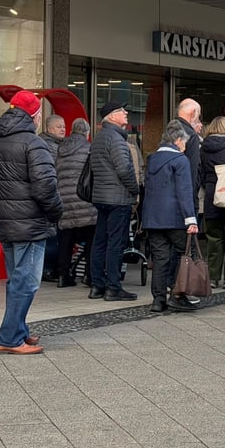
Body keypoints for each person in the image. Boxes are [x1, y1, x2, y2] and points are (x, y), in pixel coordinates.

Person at [0, 90, 64, 355]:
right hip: (30, 224)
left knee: (16, 280)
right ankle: (9, 338)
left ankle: (19, 331)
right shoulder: (34, 143)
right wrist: (56, 213)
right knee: (26, 282)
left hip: (5, 223)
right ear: (35, 115)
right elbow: (45, 187)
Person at [141, 120, 200, 313]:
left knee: (160, 259)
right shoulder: (180, 161)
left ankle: (158, 300)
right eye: (183, 142)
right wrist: (191, 219)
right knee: (184, 254)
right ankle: (177, 294)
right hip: (175, 218)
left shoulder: (152, 159)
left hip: (153, 218)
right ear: (177, 140)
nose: (184, 147)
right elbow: (184, 191)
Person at [87, 101, 140, 302]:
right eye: (121, 111)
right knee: (115, 244)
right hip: (118, 198)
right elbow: (124, 169)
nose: (126, 113)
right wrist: (135, 189)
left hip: (101, 197)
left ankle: (97, 285)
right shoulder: (116, 138)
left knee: (100, 242)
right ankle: (113, 287)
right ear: (111, 117)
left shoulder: (99, 137)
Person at [54, 117, 97, 287]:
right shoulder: (89, 149)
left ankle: (63, 276)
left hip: (64, 202)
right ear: (87, 133)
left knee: (66, 241)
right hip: (85, 202)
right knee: (91, 240)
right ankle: (89, 275)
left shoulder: (60, 149)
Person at [200, 116, 225, 287]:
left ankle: (213, 277)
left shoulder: (202, 147)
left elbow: (198, 172)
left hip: (210, 195)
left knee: (213, 238)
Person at [38, 112, 67, 281]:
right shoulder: (47, 145)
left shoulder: (58, 144)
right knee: (50, 234)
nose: (63, 129)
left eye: (63, 126)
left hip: (56, 195)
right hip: (50, 196)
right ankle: (48, 268)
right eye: (59, 126)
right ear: (49, 128)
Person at [176, 99, 202, 199]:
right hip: (186, 195)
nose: (198, 119)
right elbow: (193, 170)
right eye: (198, 116)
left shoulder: (169, 130)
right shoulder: (191, 136)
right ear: (193, 113)